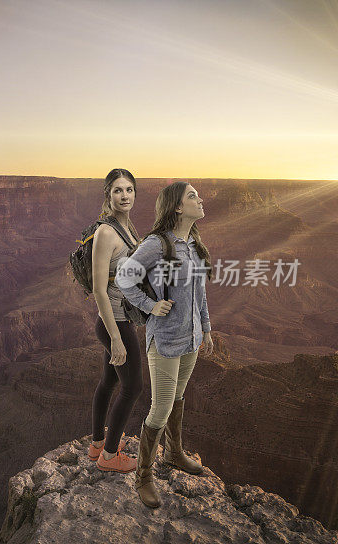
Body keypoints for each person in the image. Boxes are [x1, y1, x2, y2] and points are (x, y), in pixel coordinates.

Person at [115, 181, 215, 508]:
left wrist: (207, 330)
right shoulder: (158, 245)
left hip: (192, 338)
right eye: (192, 196)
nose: (200, 200)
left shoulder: (194, 245)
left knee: (179, 397)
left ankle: (173, 454)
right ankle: (143, 476)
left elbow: (199, 293)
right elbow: (125, 276)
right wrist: (149, 305)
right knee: (161, 406)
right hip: (166, 339)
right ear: (177, 207)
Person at [88, 168, 143, 473]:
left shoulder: (128, 228)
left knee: (109, 381)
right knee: (133, 387)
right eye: (118, 191)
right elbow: (98, 289)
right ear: (108, 195)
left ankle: (97, 444)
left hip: (121, 320)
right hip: (114, 323)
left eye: (129, 190)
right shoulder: (106, 233)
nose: (124, 196)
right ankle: (109, 457)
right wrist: (117, 339)